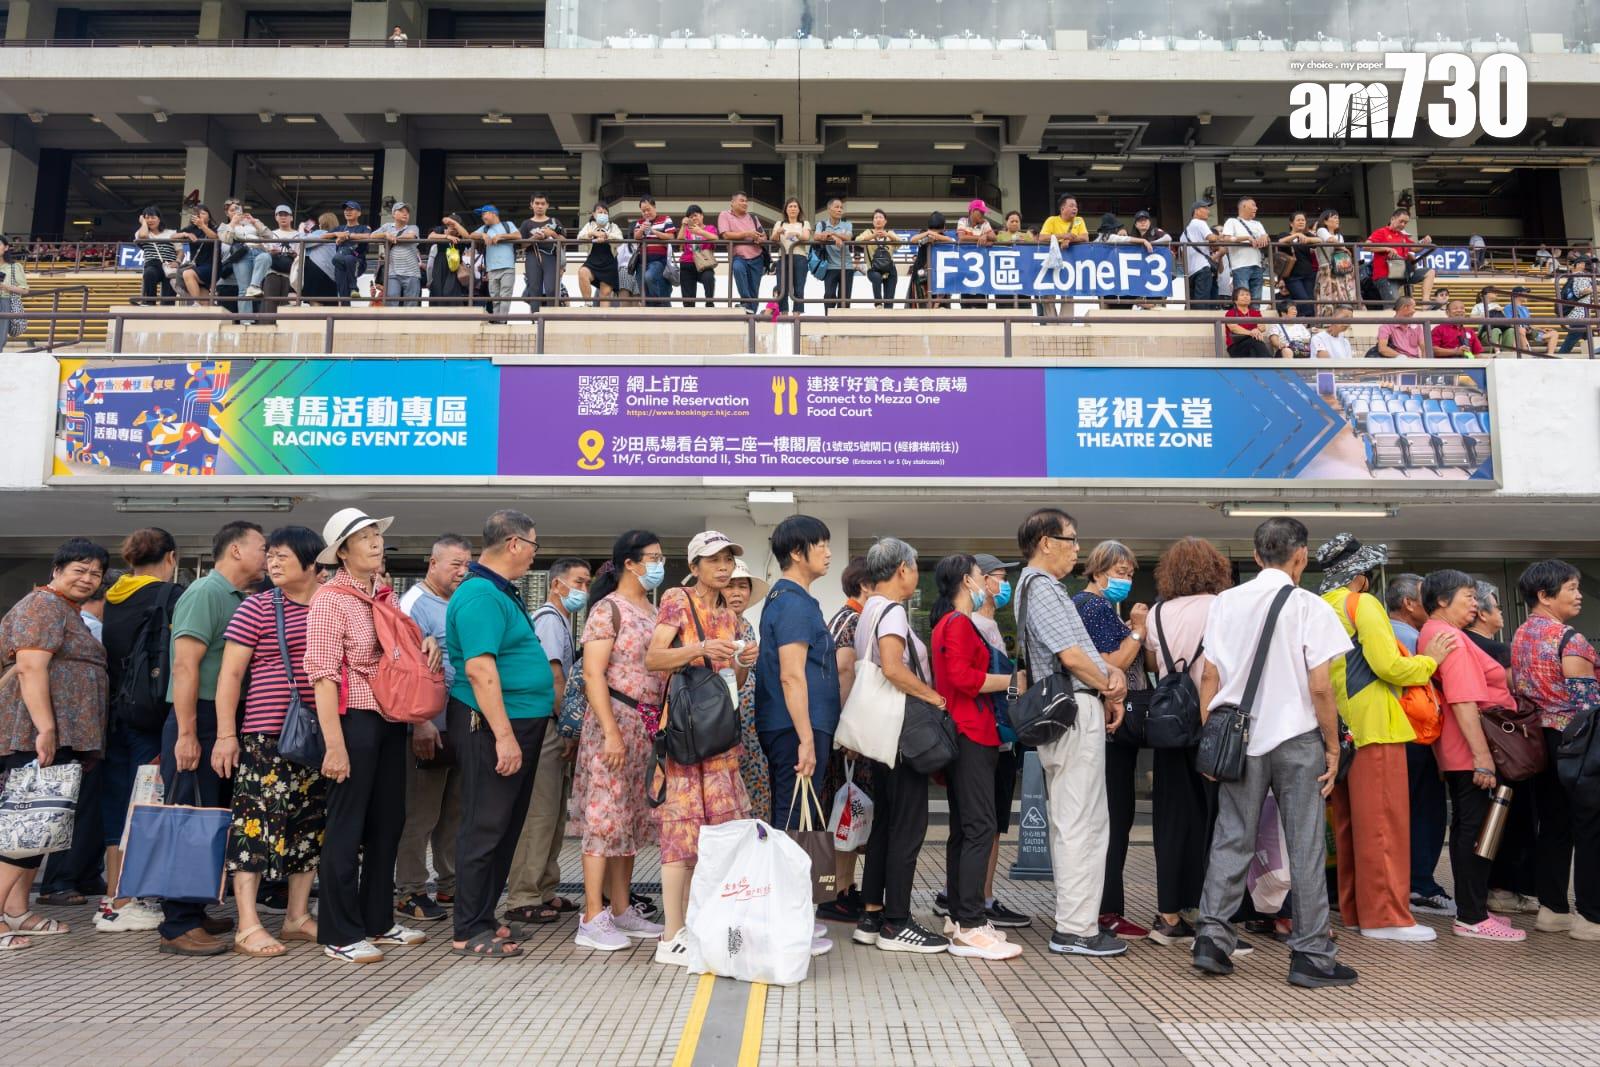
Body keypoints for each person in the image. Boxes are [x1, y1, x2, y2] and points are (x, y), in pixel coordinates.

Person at [1191, 518, 1355, 988]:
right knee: (1303, 844)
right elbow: (1320, 687)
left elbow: (1210, 677)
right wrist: (1331, 747)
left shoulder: (1226, 603)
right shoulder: (1310, 606)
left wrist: (1212, 740)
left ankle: (1212, 941)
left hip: (1239, 738)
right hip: (1297, 738)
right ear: (1301, 556)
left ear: (1258, 555)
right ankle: (1310, 954)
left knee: (1232, 836)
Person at [305, 508, 434, 964]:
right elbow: (322, 675)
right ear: (342, 552)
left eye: (377, 534)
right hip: (352, 720)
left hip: (390, 718)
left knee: (387, 822)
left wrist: (426, 644)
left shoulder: (384, 594)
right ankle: (338, 932)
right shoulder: (330, 599)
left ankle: (377, 920)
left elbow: (400, 652)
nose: (377, 542)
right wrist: (334, 744)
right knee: (347, 824)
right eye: (365, 537)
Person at [1314, 534, 1448, 943]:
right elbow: (1388, 665)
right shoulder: (1362, 604)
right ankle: (1387, 917)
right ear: (1362, 577)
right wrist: (1431, 661)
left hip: (1339, 728)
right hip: (1376, 726)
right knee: (1385, 824)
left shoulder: (1321, 606)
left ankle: (1357, 911)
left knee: (1351, 826)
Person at [1013, 508, 1129, 957]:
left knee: (1076, 819)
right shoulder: (1041, 587)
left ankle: (1075, 923)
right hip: (1074, 711)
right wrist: (1110, 683)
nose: (1077, 549)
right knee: (1081, 823)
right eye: (1072, 539)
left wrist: (1106, 684)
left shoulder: (1038, 588)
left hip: (1073, 711)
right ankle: (1076, 929)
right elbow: (1072, 656)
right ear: (1046, 541)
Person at [210, 526, 329, 958]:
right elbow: (231, 676)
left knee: (309, 826)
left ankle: (297, 916)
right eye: (271, 556)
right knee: (257, 825)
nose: (272, 564)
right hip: (266, 734)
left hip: (320, 734)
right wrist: (227, 734)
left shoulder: (333, 605)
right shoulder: (257, 607)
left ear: (312, 563)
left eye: (283, 557)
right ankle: (247, 923)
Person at [444, 510, 555, 960]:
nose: (533, 555)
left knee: (505, 827)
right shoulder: (479, 595)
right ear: (513, 544)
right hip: (490, 724)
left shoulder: (498, 593)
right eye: (533, 546)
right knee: (485, 826)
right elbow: (479, 669)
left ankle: (485, 917)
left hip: (516, 722)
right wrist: (504, 736)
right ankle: (468, 928)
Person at [644, 531, 757, 966]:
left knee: (716, 836)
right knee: (681, 833)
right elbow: (653, 658)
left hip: (720, 733)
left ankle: (697, 924)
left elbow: (731, 683)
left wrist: (743, 663)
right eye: (713, 560)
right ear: (694, 567)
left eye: (728, 558)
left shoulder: (728, 614)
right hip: (687, 735)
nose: (724, 567)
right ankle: (671, 935)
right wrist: (699, 648)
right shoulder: (677, 598)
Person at [155, 521, 266, 956]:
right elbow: (185, 667)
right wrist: (186, 733)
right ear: (236, 550)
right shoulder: (205, 593)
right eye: (262, 547)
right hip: (195, 718)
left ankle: (194, 908)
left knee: (211, 815)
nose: (268, 554)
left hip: (219, 719)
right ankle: (176, 925)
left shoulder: (240, 598)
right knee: (188, 816)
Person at [0, 539, 109, 952]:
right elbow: (30, 666)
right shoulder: (42, 605)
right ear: (57, 570)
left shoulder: (65, 610)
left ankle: (17, 912)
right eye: (79, 569)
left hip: (59, 736)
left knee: (41, 828)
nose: (87, 578)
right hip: (37, 736)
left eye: (95, 573)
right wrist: (45, 729)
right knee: (25, 830)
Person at [850, 539, 949, 954]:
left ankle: (872, 914)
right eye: (914, 565)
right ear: (903, 569)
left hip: (881, 735)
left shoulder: (869, 609)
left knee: (886, 826)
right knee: (908, 828)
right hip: (901, 734)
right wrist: (933, 698)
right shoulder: (891, 611)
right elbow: (892, 668)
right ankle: (897, 922)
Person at [1417, 569, 1526, 942]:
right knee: (1479, 831)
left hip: (1456, 749)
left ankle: (1472, 910)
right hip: (1470, 750)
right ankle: (1474, 915)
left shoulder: (1436, 633)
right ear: (1443, 601)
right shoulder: (1450, 638)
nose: (1475, 603)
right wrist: (1483, 757)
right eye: (1467, 596)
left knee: (1469, 827)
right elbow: (1464, 701)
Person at [571, 532, 668, 951]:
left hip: (645, 726)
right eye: (654, 557)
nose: (659, 564)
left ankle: (622, 908)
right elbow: (594, 674)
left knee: (629, 816)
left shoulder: (654, 609)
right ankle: (592, 915)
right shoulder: (606, 610)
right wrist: (610, 732)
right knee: (604, 816)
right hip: (614, 721)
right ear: (630, 563)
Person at [929, 554, 1022, 961]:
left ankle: (959, 917)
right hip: (971, 732)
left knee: (966, 828)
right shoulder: (959, 623)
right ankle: (969, 923)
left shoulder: (948, 623)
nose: (989, 583)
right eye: (981, 577)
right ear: (967, 582)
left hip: (965, 731)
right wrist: (1013, 683)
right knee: (981, 825)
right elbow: (963, 679)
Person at [1142, 537, 1231, 944]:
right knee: (1216, 820)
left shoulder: (1157, 612)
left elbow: (1151, 662)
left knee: (1172, 819)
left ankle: (1169, 916)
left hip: (1169, 727)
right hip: (1211, 725)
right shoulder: (1223, 607)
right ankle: (1211, 916)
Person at [93, 528, 181, 933]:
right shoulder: (169, 596)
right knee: (146, 803)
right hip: (151, 716)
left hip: (112, 716)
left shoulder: (108, 600)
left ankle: (113, 897)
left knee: (116, 803)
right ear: (171, 558)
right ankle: (134, 897)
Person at [1512, 560, 1600, 940]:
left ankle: (1552, 909)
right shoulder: (1570, 639)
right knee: (1591, 828)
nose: (1578, 594)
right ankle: (1592, 917)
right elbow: (1588, 705)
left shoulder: (1519, 636)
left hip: (1537, 742)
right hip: (1575, 742)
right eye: (1570, 587)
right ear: (1545, 596)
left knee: (1553, 825)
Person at [503, 556, 592, 925]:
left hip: (554, 728)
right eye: (578, 582)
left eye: (587, 583)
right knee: (539, 814)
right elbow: (556, 681)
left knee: (554, 814)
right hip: (547, 728)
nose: (583, 590)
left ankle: (545, 889)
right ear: (556, 584)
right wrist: (568, 730)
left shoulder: (561, 621)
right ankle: (523, 895)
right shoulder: (550, 622)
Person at [1071, 541, 1151, 942]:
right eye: (1120, 571)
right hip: (1110, 727)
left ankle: (1102, 907)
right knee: (1113, 818)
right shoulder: (1094, 607)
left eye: (1130, 572)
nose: (1127, 579)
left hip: (1108, 726)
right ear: (1098, 571)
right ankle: (1106, 910)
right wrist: (1138, 628)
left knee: (1112, 818)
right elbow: (1111, 662)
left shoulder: (1092, 606)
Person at [394, 534, 473, 924]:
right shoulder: (413, 604)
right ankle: (409, 890)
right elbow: (404, 669)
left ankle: (449, 883)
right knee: (420, 815)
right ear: (433, 562)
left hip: (457, 726)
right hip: (426, 728)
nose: (462, 571)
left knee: (452, 813)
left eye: (466, 564)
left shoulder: (456, 602)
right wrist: (421, 723)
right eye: (455, 564)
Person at [754, 515, 838, 823]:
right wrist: (806, 740)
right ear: (796, 552)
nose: (828, 553)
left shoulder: (789, 598)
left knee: (795, 815)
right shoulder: (793, 602)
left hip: (791, 726)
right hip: (795, 728)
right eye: (821, 545)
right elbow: (791, 675)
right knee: (794, 819)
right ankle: (784, 874)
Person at [1466, 581, 1538, 917]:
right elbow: (1516, 690)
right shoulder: (1496, 651)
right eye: (1496, 606)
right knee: (1512, 818)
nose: (1500, 614)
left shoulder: (1464, 644)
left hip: (1478, 744)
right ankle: (1504, 889)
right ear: (1481, 612)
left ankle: (1493, 887)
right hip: (1505, 746)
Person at [1386, 574, 1453, 916]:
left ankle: (1409, 883)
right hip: (1414, 734)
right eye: (1425, 597)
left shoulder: (1386, 633)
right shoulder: (1412, 639)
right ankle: (1420, 885)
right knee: (1424, 810)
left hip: (1396, 734)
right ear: (1409, 604)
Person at [819, 556, 872, 925]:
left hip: (842, 733)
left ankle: (844, 887)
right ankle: (835, 891)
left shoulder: (845, 617)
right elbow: (843, 671)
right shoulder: (850, 620)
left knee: (847, 811)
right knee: (844, 810)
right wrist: (849, 729)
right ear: (866, 586)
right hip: (846, 736)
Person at [723, 559, 770, 825]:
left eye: (742, 586)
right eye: (730, 586)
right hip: (721, 727)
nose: (737, 592)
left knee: (756, 799)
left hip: (751, 727)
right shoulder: (711, 625)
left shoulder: (748, 626)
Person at [1368, 207, 1436, 306]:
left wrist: (1424, 241)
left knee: (1430, 272)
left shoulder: (1402, 236)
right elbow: (1365, 246)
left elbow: (1415, 248)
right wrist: (1387, 249)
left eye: (1405, 223)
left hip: (1401, 273)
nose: (1403, 224)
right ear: (1392, 219)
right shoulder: (1381, 232)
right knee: (1394, 307)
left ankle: (1426, 303)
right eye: (1401, 221)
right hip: (1385, 276)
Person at [219, 199, 273, 317]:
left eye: (238, 209)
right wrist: (233, 223)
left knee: (266, 257)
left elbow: (269, 236)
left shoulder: (252, 223)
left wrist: (254, 222)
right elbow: (226, 239)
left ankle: (254, 286)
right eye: (232, 210)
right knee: (243, 290)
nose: (235, 212)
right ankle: (245, 320)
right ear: (227, 213)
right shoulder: (225, 226)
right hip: (242, 255)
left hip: (258, 250)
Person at [1041, 195, 1091, 317]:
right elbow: (1042, 238)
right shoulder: (1051, 220)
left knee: (1068, 291)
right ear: (1062, 209)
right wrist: (1063, 236)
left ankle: (1066, 325)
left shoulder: (1079, 220)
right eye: (1071, 206)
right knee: (1048, 292)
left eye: (1076, 206)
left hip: (1070, 262)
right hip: (1051, 262)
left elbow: (1085, 237)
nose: (1075, 209)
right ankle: (1050, 323)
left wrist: (1069, 240)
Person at [718, 191, 767, 314]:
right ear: (732, 203)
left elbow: (764, 236)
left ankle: (751, 318)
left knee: (754, 289)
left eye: (746, 201)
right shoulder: (724, 215)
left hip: (757, 257)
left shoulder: (753, 217)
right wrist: (747, 234)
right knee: (738, 268)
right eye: (741, 200)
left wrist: (760, 238)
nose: (745, 203)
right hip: (738, 256)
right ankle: (746, 301)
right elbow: (726, 235)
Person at [470, 205, 520, 320]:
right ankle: (498, 321)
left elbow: (518, 235)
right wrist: (482, 234)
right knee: (495, 297)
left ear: (493, 213)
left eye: (484, 214)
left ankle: (502, 321)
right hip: (491, 268)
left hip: (508, 266)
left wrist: (501, 236)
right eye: (482, 215)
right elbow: (471, 235)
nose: (483, 217)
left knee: (505, 296)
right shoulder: (485, 228)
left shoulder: (508, 224)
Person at [519, 193, 564, 311]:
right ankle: (534, 321)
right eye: (537, 203)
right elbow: (521, 245)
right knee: (534, 290)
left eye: (542, 203)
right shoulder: (526, 223)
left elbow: (565, 241)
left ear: (547, 205)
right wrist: (534, 238)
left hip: (552, 258)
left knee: (552, 289)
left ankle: (552, 320)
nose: (540, 206)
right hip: (532, 257)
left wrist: (552, 234)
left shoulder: (555, 222)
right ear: (531, 205)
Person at [1221, 197, 1271, 300]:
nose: (1256, 208)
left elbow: (1267, 239)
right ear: (1243, 206)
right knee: (1242, 298)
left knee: (1256, 298)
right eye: (1253, 205)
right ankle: (1243, 317)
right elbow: (1226, 239)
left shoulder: (1258, 223)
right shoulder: (1232, 221)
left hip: (1257, 265)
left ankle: (1255, 316)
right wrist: (1247, 238)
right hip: (1240, 266)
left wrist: (1265, 237)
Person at [1312, 209, 1360, 315]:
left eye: (1337, 217)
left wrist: (1342, 247)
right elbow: (1330, 240)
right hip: (1327, 270)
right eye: (1333, 217)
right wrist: (1344, 248)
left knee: (1342, 296)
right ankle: (1327, 321)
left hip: (1340, 270)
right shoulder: (1321, 231)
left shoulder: (1340, 236)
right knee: (1329, 297)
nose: (1337, 220)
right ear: (1325, 221)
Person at [376, 202, 423, 308]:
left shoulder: (413, 227)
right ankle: (391, 325)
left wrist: (393, 238)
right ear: (393, 214)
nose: (405, 214)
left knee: (411, 304)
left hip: (412, 272)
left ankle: (409, 325)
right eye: (401, 211)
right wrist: (385, 235)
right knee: (391, 302)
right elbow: (372, 235)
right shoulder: (387, 227)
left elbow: (411, 236)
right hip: (392, 272)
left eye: (407, 212)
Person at [575, 204, 623, 306]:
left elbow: (620, 239)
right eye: (600, 212)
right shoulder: (589, 226)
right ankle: (588, 304)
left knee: (605, 294)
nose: (603, 214)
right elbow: (579, 238)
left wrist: (607, 235)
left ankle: (603, 320)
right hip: (592, 261)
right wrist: (592, 234)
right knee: (582, 272)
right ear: (594, 214)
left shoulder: (613, 226)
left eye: (605, 213)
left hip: (609, 263)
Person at [631, 197, 676, 306]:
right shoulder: (639, 222)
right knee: (642, 287)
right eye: (643, 211)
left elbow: (671, 236)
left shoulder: (666, 219)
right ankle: (650, 306)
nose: (646, 213)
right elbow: (636, 237)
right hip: (641, 261)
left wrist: (653, 231)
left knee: (649, 277)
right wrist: (642, 229)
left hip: (659, 260)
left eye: (648, 209)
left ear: (654, 207)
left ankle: (657, 303)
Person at [134, 207, 182, 305]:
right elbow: (143, 236)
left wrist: (177, 262)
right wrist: (143, 223)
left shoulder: (171, 233)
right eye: (147, 218)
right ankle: (149, 303)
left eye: (153, 217)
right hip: (152, 264)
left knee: (168, 298)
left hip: (169, 265)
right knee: (149, 274)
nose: (150, 220)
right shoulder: (141, 232)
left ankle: (167, 312)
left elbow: (180, 251)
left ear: (159, 219)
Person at [1277, 211, 1321, 317]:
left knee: (1310, 300)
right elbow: (1280, 241)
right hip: (1292, 276)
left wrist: (1308, 239)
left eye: (1303, 220)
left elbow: (1320, 240)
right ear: (1291, 223)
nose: (1301, 222)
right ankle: (1305, 322)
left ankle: (1309, 323)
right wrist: (1296, 235)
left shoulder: (1307, 235)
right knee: (1302, 299)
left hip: (1308, 274)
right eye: (1298, 220)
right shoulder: (1285, 234)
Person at [1224, 286, 1286, 358]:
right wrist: (1251, 333)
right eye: (1242, 295)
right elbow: (1234, 328)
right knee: (1255, 341)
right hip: (1236, 346)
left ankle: (1265, 364)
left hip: (1253, 344)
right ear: (1235, 300)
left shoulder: (1255, 313)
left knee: (1254, 348)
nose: (1246, 297)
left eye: (1248, 295)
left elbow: (1263, 327)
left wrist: (1257, 330)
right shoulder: (1230, 313)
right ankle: (1270, 362)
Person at [907, 212, 954, 308]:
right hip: (922, 272)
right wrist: (928, 233)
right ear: (944, 226)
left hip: (938, 273)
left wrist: (935, 235)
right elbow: (912, 240)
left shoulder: (943, 236)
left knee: (939, 300)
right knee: (922, 300)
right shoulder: (924, 234)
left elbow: (952, 241)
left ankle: (935, 308)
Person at [772, 197, 809, 315]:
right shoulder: (780, 223)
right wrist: (778, 232)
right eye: (790, 206)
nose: (793, 209)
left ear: (799, 210)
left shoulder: (804, 223)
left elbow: (806, 237)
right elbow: (773, 239)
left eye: (795, 206)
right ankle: (784, 314)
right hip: (784, 257)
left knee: (799, 287)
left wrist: (796, 234)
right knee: (781, 287)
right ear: (786, 210)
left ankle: (796, 316)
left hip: (800, 257)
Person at [815, 197, 854, 312]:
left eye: (841, 208)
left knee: (845, 297)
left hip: (846, 266)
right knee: (829, 295)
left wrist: (831, 233)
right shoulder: (821, 224)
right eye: (836, 207)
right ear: (829, 209)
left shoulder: (847, 225)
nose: (839, 210)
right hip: (830, 266)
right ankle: (828, 320)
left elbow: (848, 237)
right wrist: (833, 237)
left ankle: (843, 323)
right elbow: (816, 236)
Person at [956, 200, 996, 310]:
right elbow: (962, 238)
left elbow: (993, 237)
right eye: (981, 212)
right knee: (965, 300)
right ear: (973, 211)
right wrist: (981, 237)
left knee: (982, 301)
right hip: (965, 266)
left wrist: (986, 237)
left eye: (984, 212)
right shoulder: (962, 221)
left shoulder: (985, 223)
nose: (983, 214)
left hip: (981, 268)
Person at [857, 209, 901, 308]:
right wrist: (873, 236)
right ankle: (878, 303)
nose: (878, 220)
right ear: (873, 221)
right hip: (873, 269)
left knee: (889, 302)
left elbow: (900, 242)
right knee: (876, 278)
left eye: (881, 217)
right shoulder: (868, 232)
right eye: (875, 217)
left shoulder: (890, 233)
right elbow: (857, 240)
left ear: (885, 221)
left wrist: (888, 235)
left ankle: (886, 320)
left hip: (890, 271)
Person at [675, 205, 718, 307]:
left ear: (702, 215)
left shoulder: (710, 228)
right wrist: (683, 225)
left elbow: (715, 238)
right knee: (688, 300)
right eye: (690, 217)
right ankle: (689, 314)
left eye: (695, 215)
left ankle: (709, 303)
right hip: (687, 263)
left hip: (704, 263)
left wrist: (700, 231)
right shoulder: (687, 229)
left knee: (709, 277)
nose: (693, 218)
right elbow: (679, 239)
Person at [331, 200, 373, 301]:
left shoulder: (364, 227)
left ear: (359, 213)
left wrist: (348, 236)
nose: (347, 212)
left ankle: (354, 288)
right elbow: (322, 236)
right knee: (343, 295)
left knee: (349, 258)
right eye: (346, 210)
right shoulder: (340, 228)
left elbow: (368, 236)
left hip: (357, 262)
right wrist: (337, 234)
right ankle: (344, 314)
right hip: (341, 264)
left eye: (351, 209)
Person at [1182, 200, 1220, 308]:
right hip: (1202, 268)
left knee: (1193, 302)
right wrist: (1222, 237)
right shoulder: (1200, 223)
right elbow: (1211, 238)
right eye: (1206, 208)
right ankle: (1204, 324)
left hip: (1190, 272)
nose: (1208, 211)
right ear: (1197, 211)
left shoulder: (1186, 231)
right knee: (1202, 301)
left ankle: (1194, 323)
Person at [178, 204, 220, 302]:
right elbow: (172, 236)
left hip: (212, 267)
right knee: (204, 301)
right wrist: (186, 234)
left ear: (209, 217)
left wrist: (202, 226)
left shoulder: (215, 227)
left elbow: (215, 237)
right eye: (198, 214)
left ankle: (195, 303)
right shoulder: (191, 229)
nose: (200, 215)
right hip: (197, 267)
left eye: (203, 213)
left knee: (188, 274)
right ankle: (205, 314)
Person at [300, 212, 343, 305]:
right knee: (330, 308)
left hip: (316, 270)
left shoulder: (321, 233)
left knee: (316, 304)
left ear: (322, 224)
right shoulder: (338, 238)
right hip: (333, 275)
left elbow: (302, 242)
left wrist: (301, 229)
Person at [1503, 286, 1559, 357]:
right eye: (1525, 293)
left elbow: (1529, 324)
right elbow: (1509, 323)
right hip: (1518, 332)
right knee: (1521, 330)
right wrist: (1521, 328)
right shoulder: (1508, 307)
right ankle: (1527, 355)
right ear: (1518, 294)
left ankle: (1549, 356)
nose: (1527, 295)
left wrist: (1541, 329)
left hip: (1529, 331)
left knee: (1554, 333)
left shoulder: (1525, 309)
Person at [262, 206, 299, 307]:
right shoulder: (271, 234)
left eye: (286, 215)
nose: (283, 217)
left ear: (291, 217)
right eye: (280, 215)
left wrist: (295, 255)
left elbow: (301, 255)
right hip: (272, 272)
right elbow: (263, 251)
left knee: (288, 307)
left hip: (291, 275)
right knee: (270, 303)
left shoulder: (299, 235)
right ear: (276, 217)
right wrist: (270, 252)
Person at [1558, 256, 1595, 356]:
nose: (1588, 265)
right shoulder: (1580, 276)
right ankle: (1557, 360)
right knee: (1570, 342)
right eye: (1586, 263)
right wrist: (1595, 288)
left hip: (1581, 314)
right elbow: (1580, 292)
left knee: (1591, 339)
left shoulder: (1578, 276)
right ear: (1579, 265)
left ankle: (1593, 358)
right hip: (1579, 315)